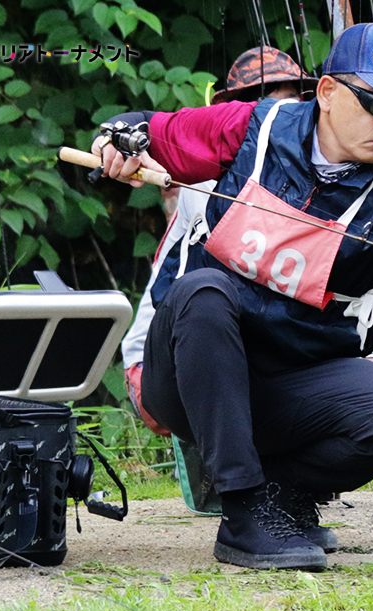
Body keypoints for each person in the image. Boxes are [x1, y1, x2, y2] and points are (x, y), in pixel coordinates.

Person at [95, 23, 373, 571]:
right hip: (192, 377)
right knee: (205, 289)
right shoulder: (250, 127)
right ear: (329, 92)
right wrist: (114, 141)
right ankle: (242, 515)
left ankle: (281, 501)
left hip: (294, 389)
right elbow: (142, 128)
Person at [122, 46, 313, 435]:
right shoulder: (215, 176)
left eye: (292, 105)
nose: (282, 119)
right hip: (153, 361)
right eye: (268, 108)